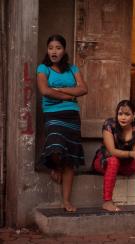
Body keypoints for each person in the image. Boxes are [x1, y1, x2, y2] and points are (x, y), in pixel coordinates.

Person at [36, 34, 88, 212]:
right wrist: (71, 95)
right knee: (56, 147)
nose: (54, 51)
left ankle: (66, 201)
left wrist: (59, 90)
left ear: (64, 50)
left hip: (72, 117)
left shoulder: (73, 68)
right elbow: (45, 90)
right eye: (51, 48)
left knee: (70, 159)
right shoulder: (43, 69)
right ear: (47, 50)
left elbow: (83, 88)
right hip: (53, 115)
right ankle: (55, 165)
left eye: (58, 48)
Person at [93, 100, 135, 215]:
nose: (123, 117)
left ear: (134, 115)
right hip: (104, 162)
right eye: (120, 114)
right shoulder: (109, 124)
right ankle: (107, 201)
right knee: (113, 160)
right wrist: (132, 154)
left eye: (127, 114)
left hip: (124, 165)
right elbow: (111, 151)